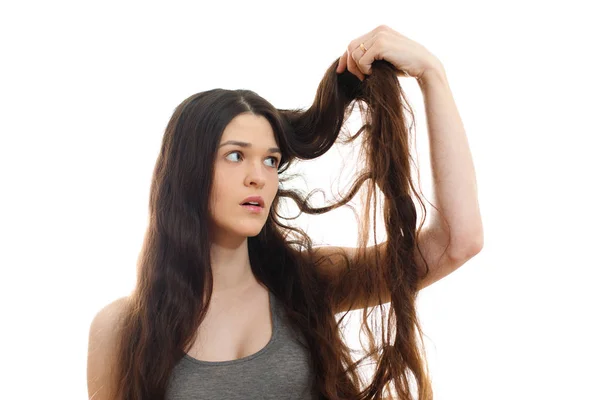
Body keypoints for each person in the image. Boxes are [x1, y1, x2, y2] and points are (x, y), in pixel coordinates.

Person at [86, 25, 483, 400]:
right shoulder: (121, 329)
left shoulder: (306, 283)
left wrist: (433, 75)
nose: (258, 177)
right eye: (236, 155)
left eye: (271, 161)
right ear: (188, 168)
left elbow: (456, 242)